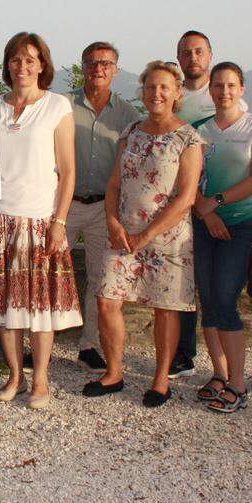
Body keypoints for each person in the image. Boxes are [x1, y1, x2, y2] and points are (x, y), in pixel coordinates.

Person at [0, 32, 79, 409]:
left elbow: (68, 169)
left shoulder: (57, 106)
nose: (23, 66)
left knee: (41, 308)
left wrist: (60, 221)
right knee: (5, 308)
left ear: (43, 65)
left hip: (40, 218)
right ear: (7, 65)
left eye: (31, 59)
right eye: (16, 59)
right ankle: (15, 375)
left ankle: (42, 379)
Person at [85, 61, 203, 408]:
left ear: (177, 93)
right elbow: (114, 184)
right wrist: (112, 221)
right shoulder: (131, 133)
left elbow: (186, 197)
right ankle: (114, 372)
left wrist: (147, 235)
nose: (156, 93)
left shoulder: (188, 138)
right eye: (150, 87)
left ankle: (161, 379)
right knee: (107, 300)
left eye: (164, 87)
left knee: (165, 308)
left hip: (167, 237)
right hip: (123, 233)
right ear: (143, 92)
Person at [190, 63, 252, 413]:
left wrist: (217, 204)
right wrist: (206, 214)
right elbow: (188, 181)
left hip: (241, 224)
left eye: (231, 85)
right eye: (218, 85)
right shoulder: (199, 129)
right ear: (210, 89)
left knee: (225, 297)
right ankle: (220, 374)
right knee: (208, 298)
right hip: (205, 225)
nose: (224, 91)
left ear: (241, 88)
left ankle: (238, 384)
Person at [169, 31, 247, 379]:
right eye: (185, 52)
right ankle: (184, 353)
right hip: (180, 202)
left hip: (218, 208)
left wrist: (210, 207)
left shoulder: (231, 104)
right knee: (185, 281)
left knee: (216, 289)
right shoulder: (174, 95)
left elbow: (247, 166)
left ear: (210, 55)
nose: (192, 57)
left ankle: (226, 370)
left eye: (198, 51)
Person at [61, 42, 143, 371]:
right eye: (92, 62)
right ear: (82, 67)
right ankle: (41, 340)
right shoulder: (62, 105)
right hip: (63, 204)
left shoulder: (129, 116)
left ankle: (89, 344)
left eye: (106, 63)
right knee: (48, 272)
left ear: (116, 70)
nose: (99, 68)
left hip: (103, 209)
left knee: (99, 278)